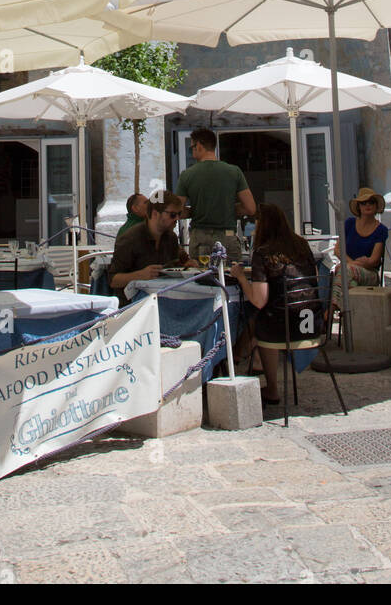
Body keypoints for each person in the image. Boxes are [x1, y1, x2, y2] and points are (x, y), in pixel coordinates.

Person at [229, 202, 322, 406]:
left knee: (256, 317)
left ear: (261, 225)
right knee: (263, 318)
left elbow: (259, 300)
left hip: (285, 326)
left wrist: (241, 278)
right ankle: (251, 355)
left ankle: (269, 385)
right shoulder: (301, 245)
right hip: (311, 322)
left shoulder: (263, 253)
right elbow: (313, 276)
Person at [175, 128, 256, 262]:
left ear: (199, 146)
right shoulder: (234, 172)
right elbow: (250, 208)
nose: (192, 151)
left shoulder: (187, 175)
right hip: (228, 236)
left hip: (200, 237)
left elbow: (176, 210)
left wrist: (195, 211)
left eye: (192, 148)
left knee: (202, 279)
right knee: (232, 279)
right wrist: (227, 209)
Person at [108, 191, 198, 297]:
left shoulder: (170, 237)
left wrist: (187, 266)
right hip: (135, 303)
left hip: (165, 297)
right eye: (172, 215)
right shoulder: (130, 239)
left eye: (179, 214)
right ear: (155, 214)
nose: (177, 219)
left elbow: (178, 264)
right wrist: (139, 275)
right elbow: (113, 280)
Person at [333, 187, 389, 301]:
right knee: (351, 282)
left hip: (370, 273)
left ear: (376, 205)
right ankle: (350, 314)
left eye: (371, 202)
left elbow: (374, 260)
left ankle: (333, 309)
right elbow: (337, 250)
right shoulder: (349, 223)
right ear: (359, 206)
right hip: (350, 270)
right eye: (363, 203)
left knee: (344, 270)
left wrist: (351, 266)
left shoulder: (381, 229)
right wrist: (352, 263)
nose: (367, 205)